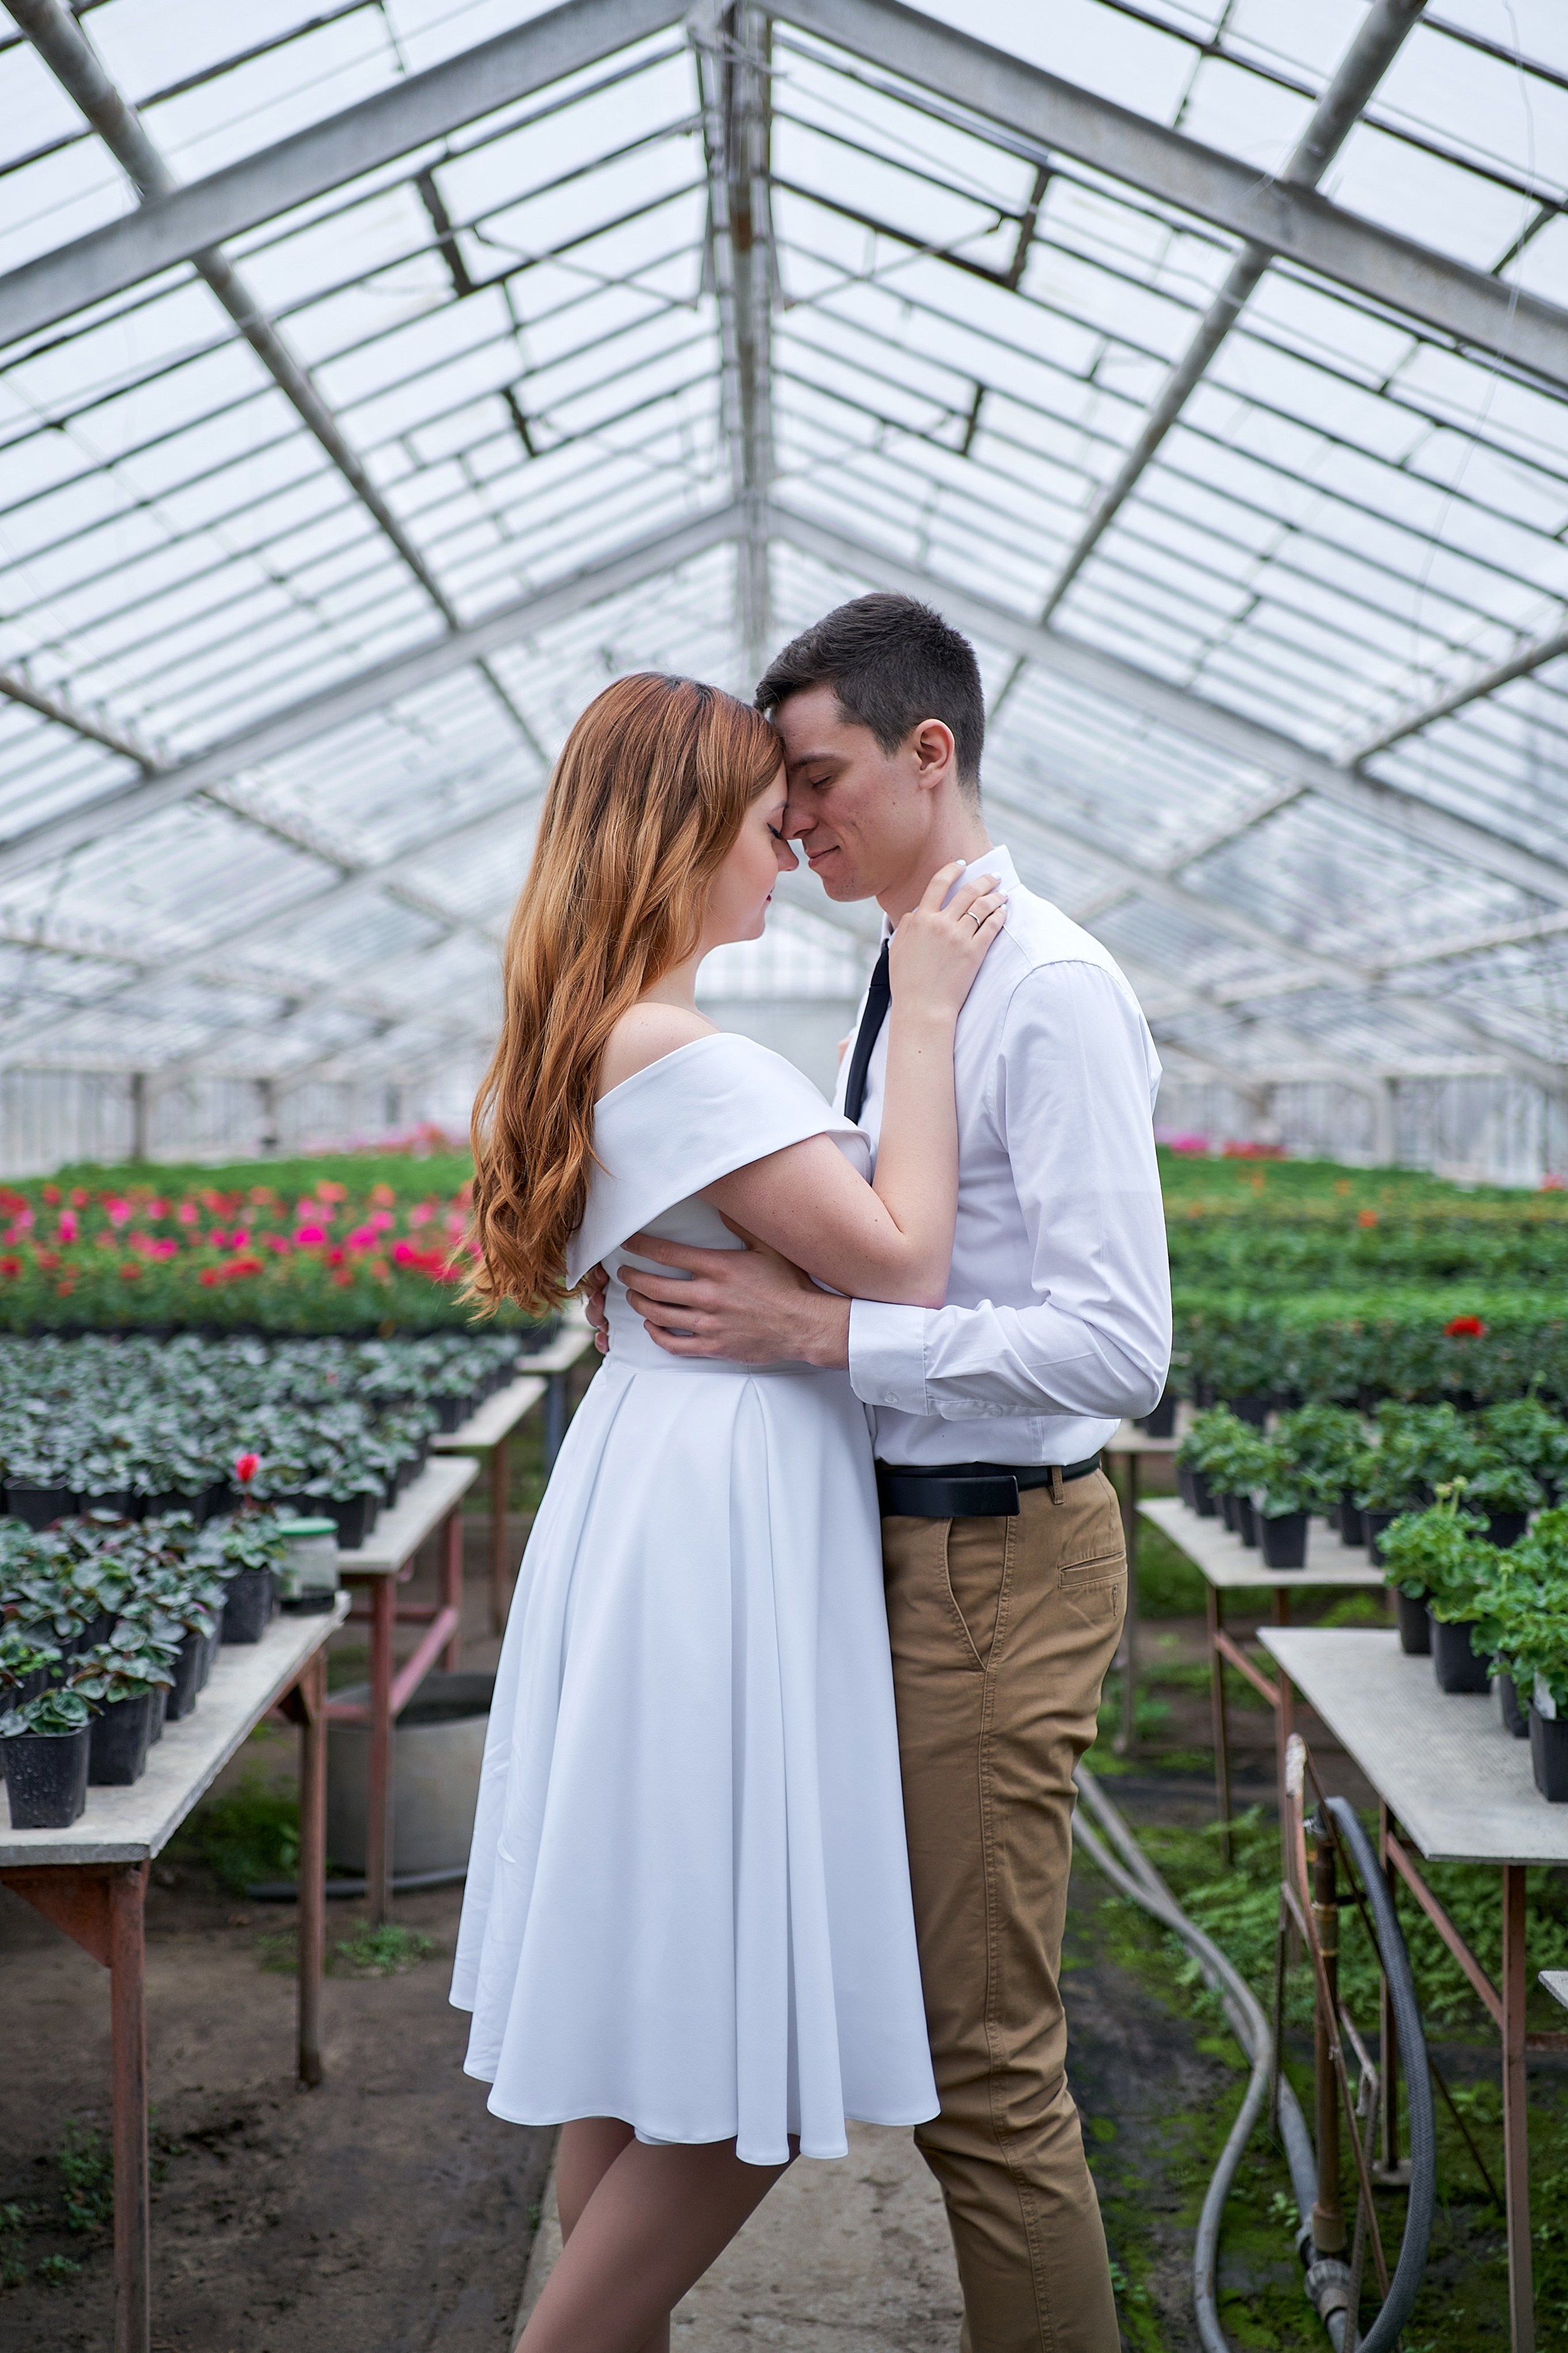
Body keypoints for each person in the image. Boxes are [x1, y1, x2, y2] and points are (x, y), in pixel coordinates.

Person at [589, 597, 1172, 2353]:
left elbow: (1114, 1346)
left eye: (823, 779)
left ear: (934, 753)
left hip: (994, 1562)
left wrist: (824, 1337)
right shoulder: (905, 973)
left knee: (982, 2072)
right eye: (780, 795)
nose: (796, 821)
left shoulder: (1045, 987)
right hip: (899, 1553)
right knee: (920, 2045)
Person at [450, 670, 1007, 2353]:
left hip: (666, 1488)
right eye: (765, 830)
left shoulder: (611, 1031)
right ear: (683, 836)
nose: (788, 854)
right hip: (717, 1524)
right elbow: (906, 1256)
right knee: (733, 2037)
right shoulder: (685, 1052)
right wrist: (922, 1007)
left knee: (657, 1996)